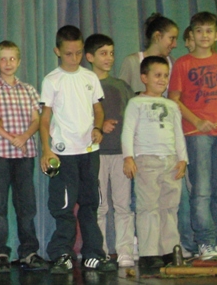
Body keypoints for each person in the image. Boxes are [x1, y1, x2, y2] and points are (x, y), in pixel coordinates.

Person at [40, 25, 116, 274]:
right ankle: (62, 254)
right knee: (63, 205)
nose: (74, 58)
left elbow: (98, 110)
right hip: (63, 152)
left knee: (90, 203)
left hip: (89, 151)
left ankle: (93, 254)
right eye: (68, 53)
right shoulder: (52, 80)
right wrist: (46, 150)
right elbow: (44, 118)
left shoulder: (90, 78)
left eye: (79, 53)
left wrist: (98, 128)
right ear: (57, 51)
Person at [169, 12, 217, 260]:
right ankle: (205, 242)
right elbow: (174, 99)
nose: (204, 35)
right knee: (201, 190)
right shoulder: (183, 64)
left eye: (209, 31)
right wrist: (197, 121)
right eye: (199, 31)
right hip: (197, 133)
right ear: (191, 34)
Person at [0, 40, 46, 273]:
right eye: (3, 59)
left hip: (25, 155)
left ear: (18, 61)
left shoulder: (29, 90)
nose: (8, 63)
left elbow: (37, 120)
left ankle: (29, 252)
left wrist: (25, 136)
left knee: (26, 205)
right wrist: (11, 138)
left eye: (12, 59)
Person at [121, 56, 188, 268]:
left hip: (170, 160)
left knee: (170, 206)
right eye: (157, 75)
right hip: (147, 160)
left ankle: (169, 249)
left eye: (166, 76)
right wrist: (128, 157)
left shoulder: (172, 105)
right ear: (144, 78)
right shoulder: (136, 103)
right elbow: (128, 131)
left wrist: (183, 159)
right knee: (148, 207)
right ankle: (149, 253)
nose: (162, 80)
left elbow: (178, 133)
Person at [84, 34, 135, 267]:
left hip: (120, 153)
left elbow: (131, 121)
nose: (109, 58)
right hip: (96, 154)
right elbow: (75, 118)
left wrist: (129, 154)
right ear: (90, 57)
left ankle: (125, 250)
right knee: (100, 206)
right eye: (103, 53)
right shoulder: (84, 85)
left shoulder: (121, 86)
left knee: (123, 205)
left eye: (112, 53)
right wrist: (97, 125)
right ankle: (100, 250)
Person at [118, 13, 179, 94]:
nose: (175, 45)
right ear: (157, 36)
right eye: (171, 38)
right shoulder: (132, 62)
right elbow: (121, 94)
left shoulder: (174, 63)